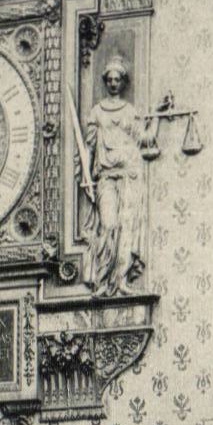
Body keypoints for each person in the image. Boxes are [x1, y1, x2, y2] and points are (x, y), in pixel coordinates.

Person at [81, 52, 152, 297]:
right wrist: (86, 176)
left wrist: (158, 118)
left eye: (117, 80)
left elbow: (142, 139)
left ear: (122, 82)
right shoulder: (97, 112)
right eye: (109, 79)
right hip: (106, 176)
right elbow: (89, 146)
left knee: (126, 227)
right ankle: (102, 281)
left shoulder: (129, 111)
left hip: (130, 172)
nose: (113, 83)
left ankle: (121, 280)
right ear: (105, 81)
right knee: (109, 225)